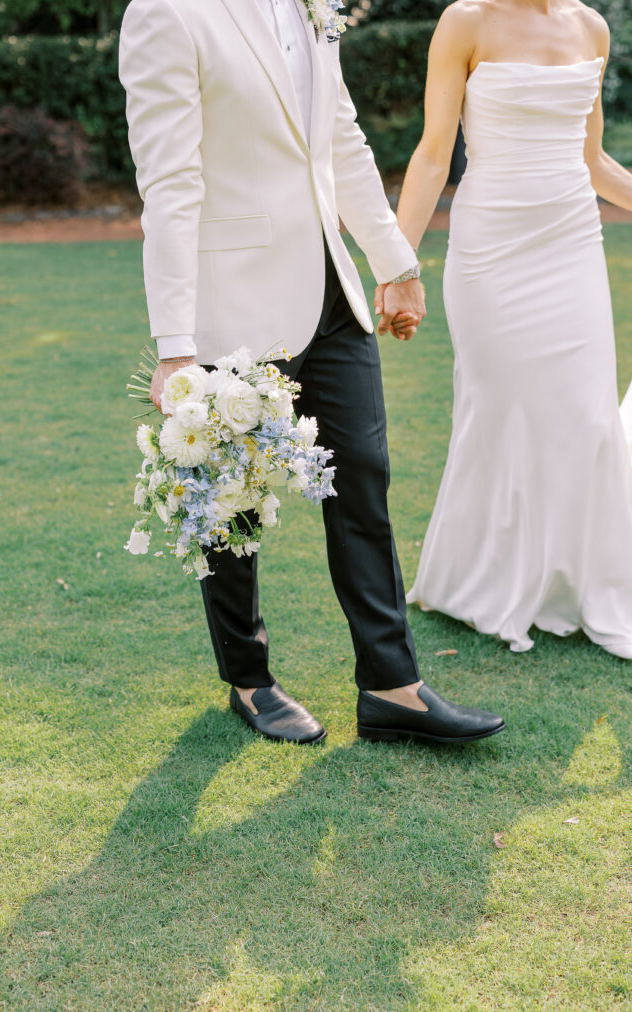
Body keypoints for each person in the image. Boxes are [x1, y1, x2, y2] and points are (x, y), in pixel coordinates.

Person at [118, 0, 506, 743]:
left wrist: (393, 262)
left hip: (333, 292)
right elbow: (169, 181)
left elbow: (340, 140)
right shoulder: (165, 14)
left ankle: (392, 686)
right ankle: (249, 679)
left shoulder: (312, 3)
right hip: (232, 295)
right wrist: (175, 342)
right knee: (230, 497)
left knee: (362, 473)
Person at [393, 0, 632, 659]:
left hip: (571, 244)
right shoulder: (464, 21)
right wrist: (396, 263)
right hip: (490, 249)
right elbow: (434, 153)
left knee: (587, 416)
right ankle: (484, 582)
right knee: (500, 412)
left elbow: (593, 163)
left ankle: (582, 584)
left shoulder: (591, 27)